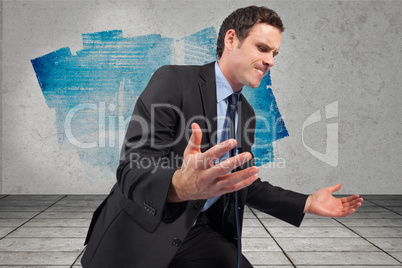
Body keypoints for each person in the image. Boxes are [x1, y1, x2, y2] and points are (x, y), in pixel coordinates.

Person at [81, 6, 363, 268]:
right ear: (231, 39)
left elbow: (239, 181)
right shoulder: (174, 80)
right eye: (263, 48)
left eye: (275, 53)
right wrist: (178, 185)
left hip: (194, 230)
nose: (270, 61)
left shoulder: (247, 113)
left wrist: (305, 203)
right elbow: (132, 166)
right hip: (140, 231)